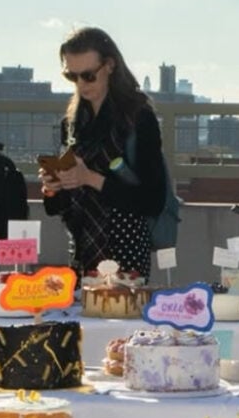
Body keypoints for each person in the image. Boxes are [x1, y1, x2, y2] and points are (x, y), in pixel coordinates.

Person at [39, 27, 166, 279]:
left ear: (109, 65)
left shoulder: (138, 116)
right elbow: (57, 207)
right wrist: (53, 186)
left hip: (125, 248)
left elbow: (153, 200)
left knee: (120, 311)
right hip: (81, 248)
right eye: (71, 76)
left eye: (88, 75)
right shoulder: (73, 121)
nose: (81, 85)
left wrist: (90, 179)